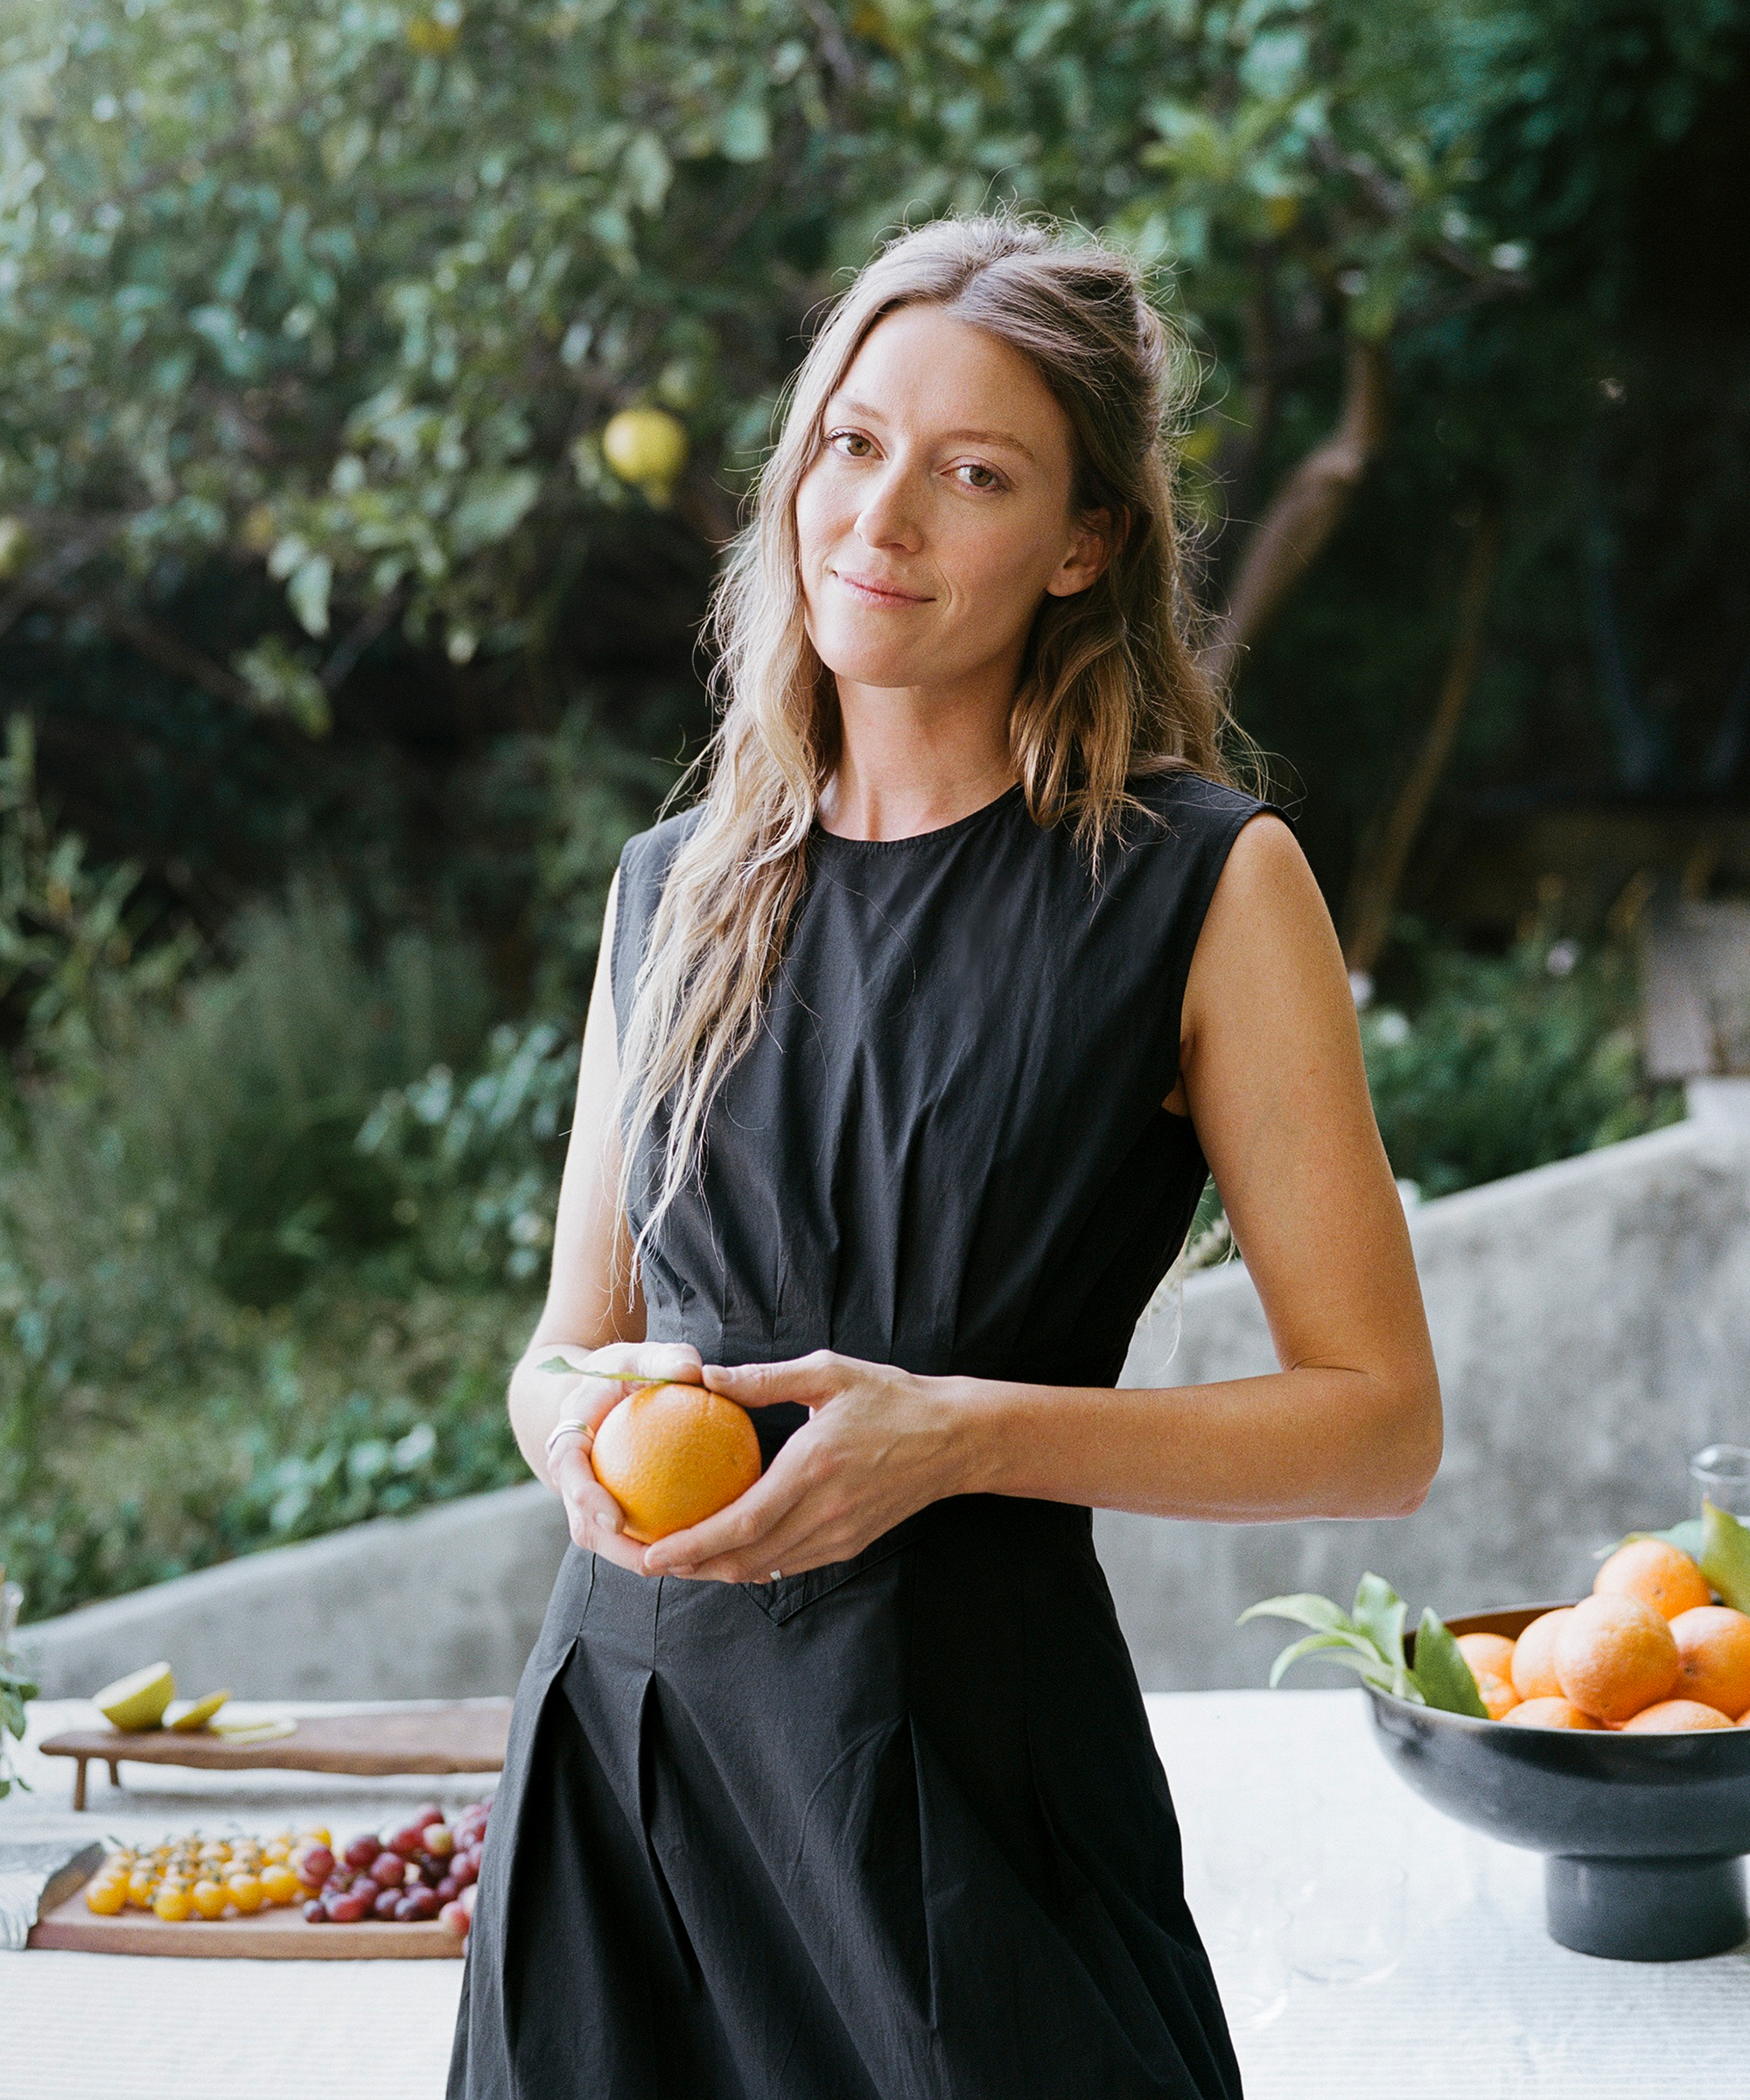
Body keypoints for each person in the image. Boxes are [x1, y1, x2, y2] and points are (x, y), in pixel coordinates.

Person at [448, 213, 1441, 2100]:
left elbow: (1379, 1425)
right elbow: (564, 1344)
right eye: (850, 442)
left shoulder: (1203, 885)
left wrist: (964, 1435)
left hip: (967, 1785)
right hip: (631, 1771)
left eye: (971, 473)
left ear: (1082, 548)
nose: (878, 517)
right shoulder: (668, 889)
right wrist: (572, 1422)